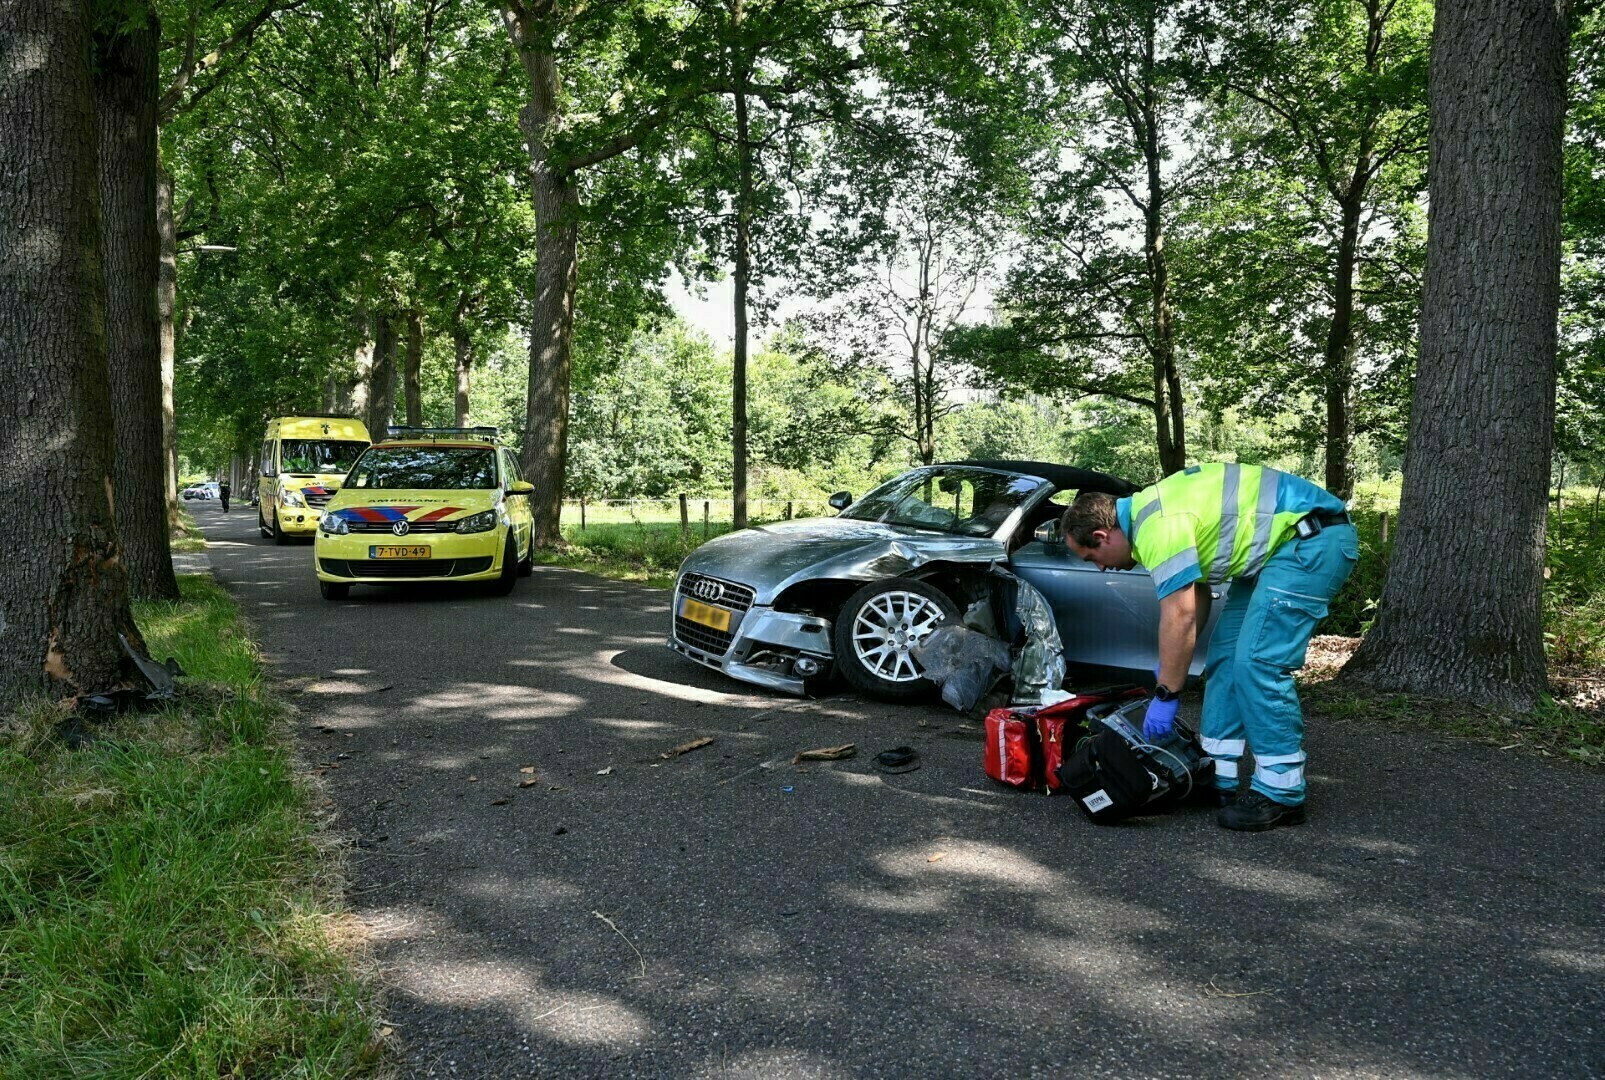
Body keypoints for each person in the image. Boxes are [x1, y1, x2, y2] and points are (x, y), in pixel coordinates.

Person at [1060, 463, 1358, 832]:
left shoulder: (1157, 526)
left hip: (1310, 542)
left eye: (1092, 558)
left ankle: (1282, 792)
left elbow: (1180, 614)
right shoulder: (1149, 513)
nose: (1101, 569)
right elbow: (1195, 595)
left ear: (1102, 536)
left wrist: (1167, 693)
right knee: (1226, 659)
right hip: (1281, 549)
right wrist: (1170, 665)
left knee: (1257, 663)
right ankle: (1217, 773)